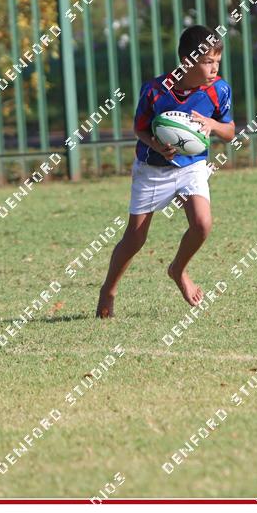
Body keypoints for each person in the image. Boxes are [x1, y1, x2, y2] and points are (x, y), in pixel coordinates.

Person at [96, 25, 235, 318]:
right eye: (207, 62)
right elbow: (139, 129)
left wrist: (213, 125)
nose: (214, 68)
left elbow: (230, 131)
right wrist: (157, 145)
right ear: (187, 61)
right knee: (135, 238)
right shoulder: (155, 90)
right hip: (152, 169)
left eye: (217, 61)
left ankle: (178, 270)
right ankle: (108, 289)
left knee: (202, 224)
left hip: (192, 165)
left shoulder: (219, 90)